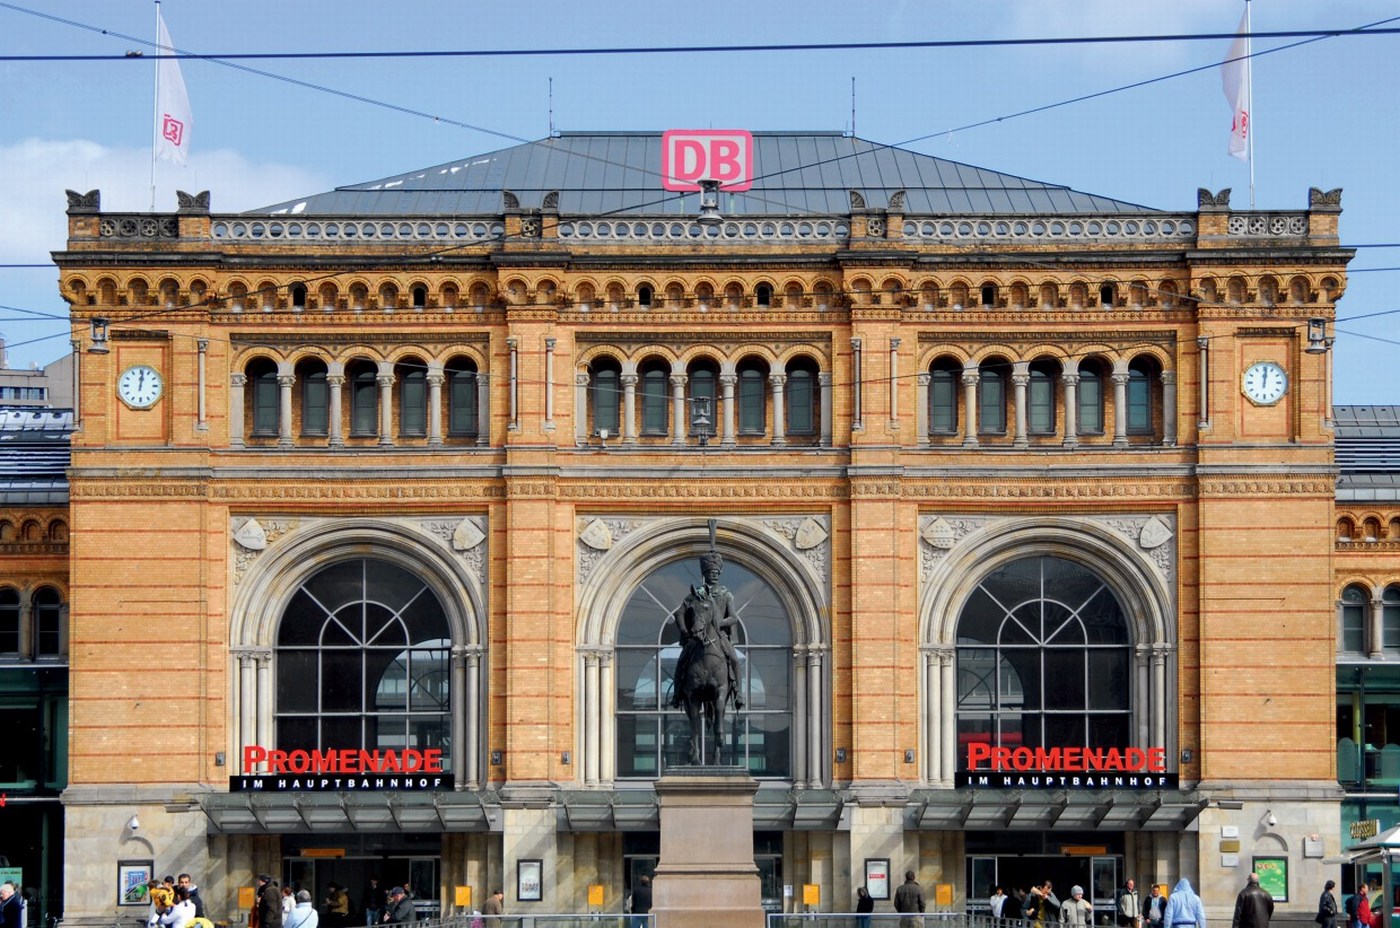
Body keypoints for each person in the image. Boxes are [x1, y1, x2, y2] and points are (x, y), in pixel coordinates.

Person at [670, 549, 744, 710]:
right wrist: (684, 631)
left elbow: (733, 618)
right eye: (711, 572)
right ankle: (676, 694)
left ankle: (739, 693)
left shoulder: (726, 594)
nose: (714, 575)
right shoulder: (696, 595)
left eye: (717, 572)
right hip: (698, 637)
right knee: (682, 660)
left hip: (720, 636)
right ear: (705, 574)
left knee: (735, 660)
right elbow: (679, 613)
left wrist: (719, 622)